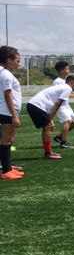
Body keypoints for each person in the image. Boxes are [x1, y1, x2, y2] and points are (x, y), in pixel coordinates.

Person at [27, 74, 74, 160]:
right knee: (48, 127)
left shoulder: (63, 87)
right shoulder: (67, 88)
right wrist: (50, 117)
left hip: (34, 105)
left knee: (48, 127)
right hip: (37, 105)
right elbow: (58, 103)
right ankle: (48, 153)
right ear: (72, 82)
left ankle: (48, 152)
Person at [0, 46, 23, 179]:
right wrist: (14, 116)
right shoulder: (6, 75)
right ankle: (6, 171)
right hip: (7, 112)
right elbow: (8, 95)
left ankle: (7, 168)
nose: (18, 64)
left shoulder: (5, 73)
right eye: (17, 61)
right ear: (8, 60)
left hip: (8, 112)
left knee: (8, 140)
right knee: (6, 141)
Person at [52, 60, 74, 149]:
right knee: (67, 121)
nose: (68, 70)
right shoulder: (57, 81)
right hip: (60, 106)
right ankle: (63, 143)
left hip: (66, 105)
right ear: (61, 70)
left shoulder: (65, 80)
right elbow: (57, 95)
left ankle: (59, 137)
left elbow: (66, 94)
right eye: (67, 69)